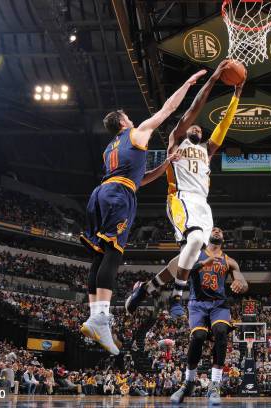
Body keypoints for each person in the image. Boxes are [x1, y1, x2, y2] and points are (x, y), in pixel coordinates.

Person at [79, 69, 206, 355]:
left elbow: (138, 178)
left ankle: (95, 316)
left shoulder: (109, 148)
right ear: (124, 121)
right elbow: (168, 109)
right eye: (129, 117)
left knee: (99, 255)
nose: (133, 120)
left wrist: (165, 166)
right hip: (118, 195)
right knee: (113, 253)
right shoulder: (136, 133)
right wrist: (186, 82)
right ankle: (101, 319)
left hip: (101, 193)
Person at [124, 60, 246, 316]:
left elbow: (225, 124)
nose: (197, 127)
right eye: (193, 125)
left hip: (203, 204)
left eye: (200, 128)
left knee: (191, 255)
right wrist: (213, 80)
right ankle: (177, 297)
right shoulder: (175, 141)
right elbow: (194, 107)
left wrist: (237, 94)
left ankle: (147, 288)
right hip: (180, 198)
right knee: (194, 242)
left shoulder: (207, 150)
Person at [170, 227, 248, 405]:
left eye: (221, 231)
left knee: (221, 331)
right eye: (214, 229)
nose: (218, 231)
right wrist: (204, 263)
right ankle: (188, 382)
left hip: (219, 305)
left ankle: (214, 385)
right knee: (198, 336)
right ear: (208, 235)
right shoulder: (196, 253)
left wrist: (240, 283)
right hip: (197, 303)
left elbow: (242, 281)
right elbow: (182, 272)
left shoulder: (230, 260)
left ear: (223, 238)